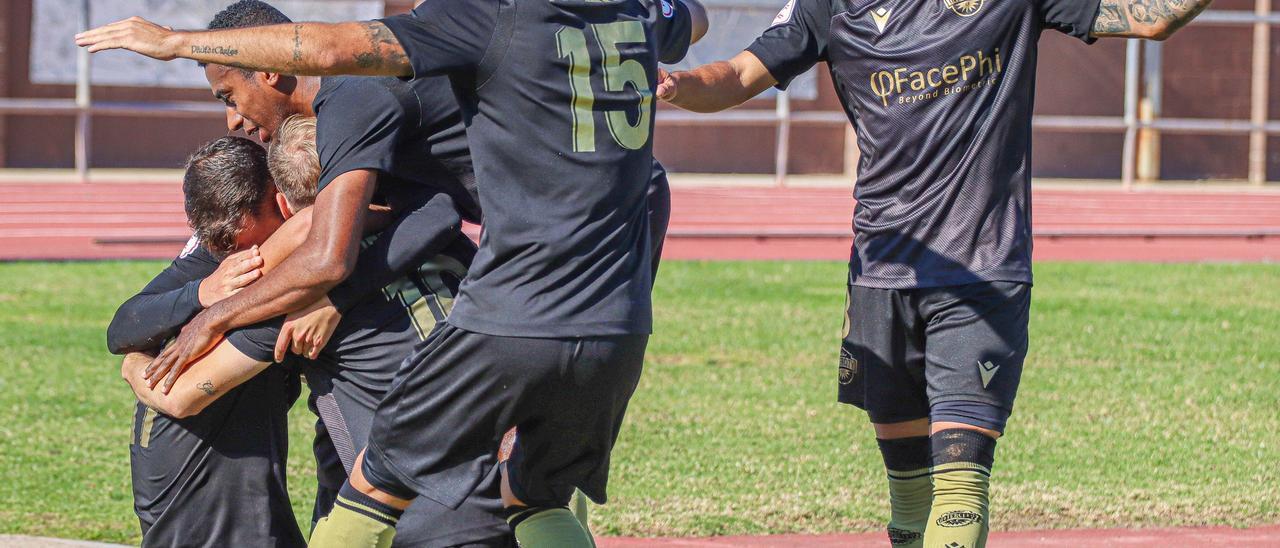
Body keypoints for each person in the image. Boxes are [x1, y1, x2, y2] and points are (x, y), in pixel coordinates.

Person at [77, 1, 708, 546]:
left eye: (228, 95)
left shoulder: (378, 85)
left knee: (380, 477)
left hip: (527, 294)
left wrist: (173, 42)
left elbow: (327, 249)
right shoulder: (618, 9)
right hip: (616, 291)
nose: (233, 119)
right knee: (533, 496)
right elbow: (692, 17)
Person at [651, 0, 1212, 546]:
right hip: (881, 272)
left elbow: (1154, 14)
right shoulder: (829, 7)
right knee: (910, 496)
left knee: (962, 487)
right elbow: (742, 72)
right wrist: (680, 86)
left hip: (981, 271)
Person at [121, 119, 513, 547]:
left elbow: (179, 395)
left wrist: (134, 363)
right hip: (516, 458)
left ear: (284, 205)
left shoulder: (286, 298)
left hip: (418, 502)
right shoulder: (435, 236)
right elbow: (436, 211)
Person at [108, 136, 303, 548]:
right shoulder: (223, 260)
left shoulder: (282, 261)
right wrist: (201, 293)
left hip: (208, 488)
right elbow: (122, 328)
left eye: (242, 238)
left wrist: (135, 367)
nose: (240, 256)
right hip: (198, 499)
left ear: (280, 200)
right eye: (224, 245)